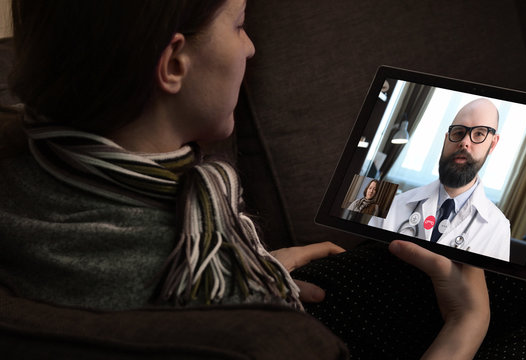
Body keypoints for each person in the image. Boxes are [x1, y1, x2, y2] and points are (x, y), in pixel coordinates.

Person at [0, 1, 489, 358]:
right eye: (239, 26)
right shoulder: (262, 340)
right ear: (173, 64)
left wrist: (250, 268)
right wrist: (466, 326)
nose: (251, 48)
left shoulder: (25, 171)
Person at [370, 99, 511, 261]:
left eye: (479, 133)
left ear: (493, 144)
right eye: (458, 133)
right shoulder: (393, 204)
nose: (464, 142)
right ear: (446, 139)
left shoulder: (498, 227)